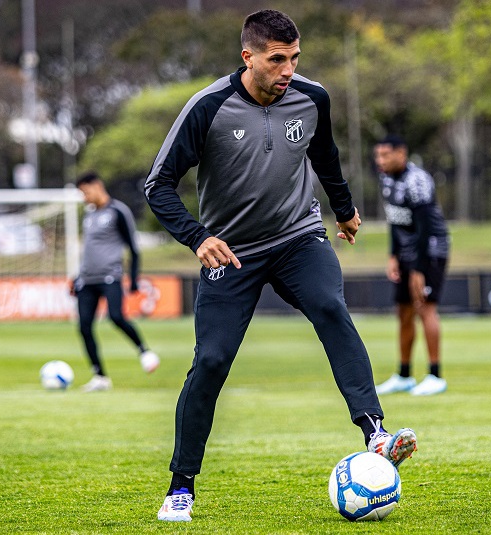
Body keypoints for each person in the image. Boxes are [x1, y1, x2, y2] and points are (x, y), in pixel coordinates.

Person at [144, 10, 417, 522]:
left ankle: (375, 431)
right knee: (211, 362)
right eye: (276, 59)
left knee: (329, 307)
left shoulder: (312, 98)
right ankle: (181, 485)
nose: (288, 68)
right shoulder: (207, 107)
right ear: (248, 57)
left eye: (294, 58)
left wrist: (344, 208)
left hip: (298, 238)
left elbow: (325, 154)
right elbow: (157, 186)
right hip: (232, 253)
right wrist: (198, 237)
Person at [373, 135, 450, 396]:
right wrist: (393, 255)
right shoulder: (385, 179)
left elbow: (425, 227)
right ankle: (404, 375)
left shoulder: (418, 180)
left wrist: (418, 269)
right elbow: (394, 221)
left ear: (401, 154)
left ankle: (435, 375)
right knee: (404, 310)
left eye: (385, 155)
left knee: (425, 307)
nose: (380, 160)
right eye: (378, 155)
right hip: (406, 252)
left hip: (430, 250)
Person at [71, 172, 159, 392]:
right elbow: (90, 249)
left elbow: (133, 248)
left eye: (85, 192)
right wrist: (77, 277)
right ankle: (99, 376)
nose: (84, 197)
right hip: (87, 279)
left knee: (116, 317)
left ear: (97, 186)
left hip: (110, 275)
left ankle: (144, 351)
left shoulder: (118, 211)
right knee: (84, 326)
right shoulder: (88, 214)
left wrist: (134, 278)